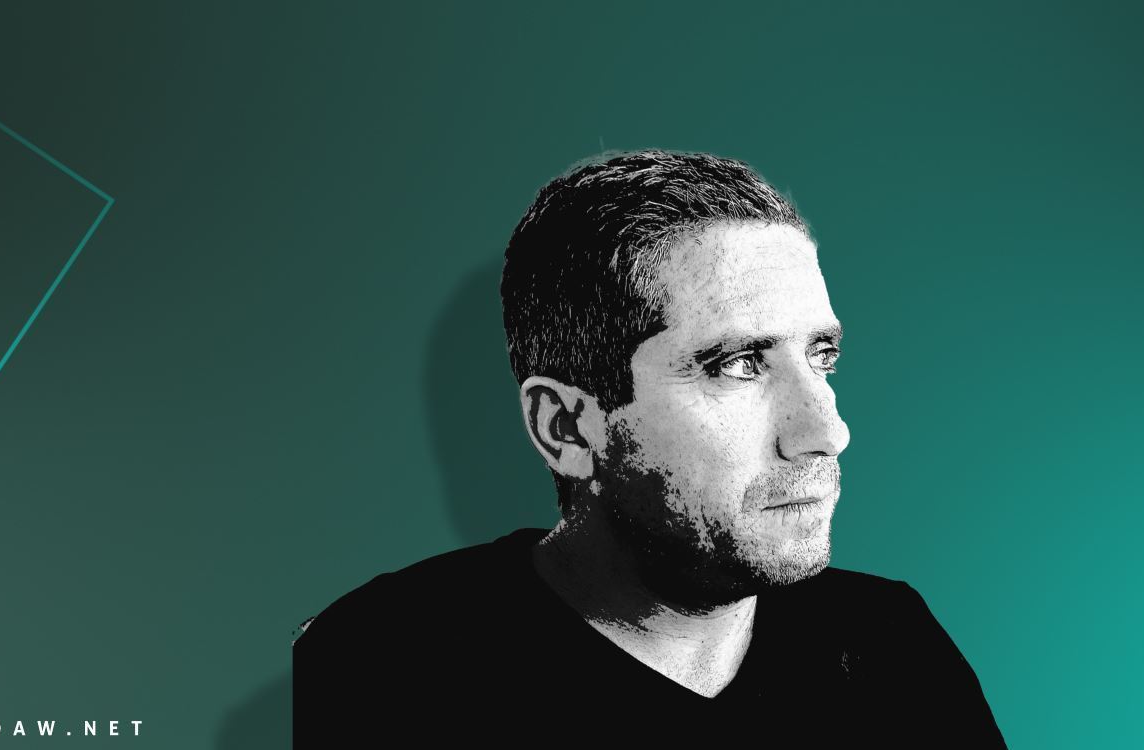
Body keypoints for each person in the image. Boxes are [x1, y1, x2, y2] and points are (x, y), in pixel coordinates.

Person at [293, 150, 1006, 742]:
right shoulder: (387, 667)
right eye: (738, 364)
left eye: (822, 357)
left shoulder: (890, 645)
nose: (825, 432)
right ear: (567, 427)